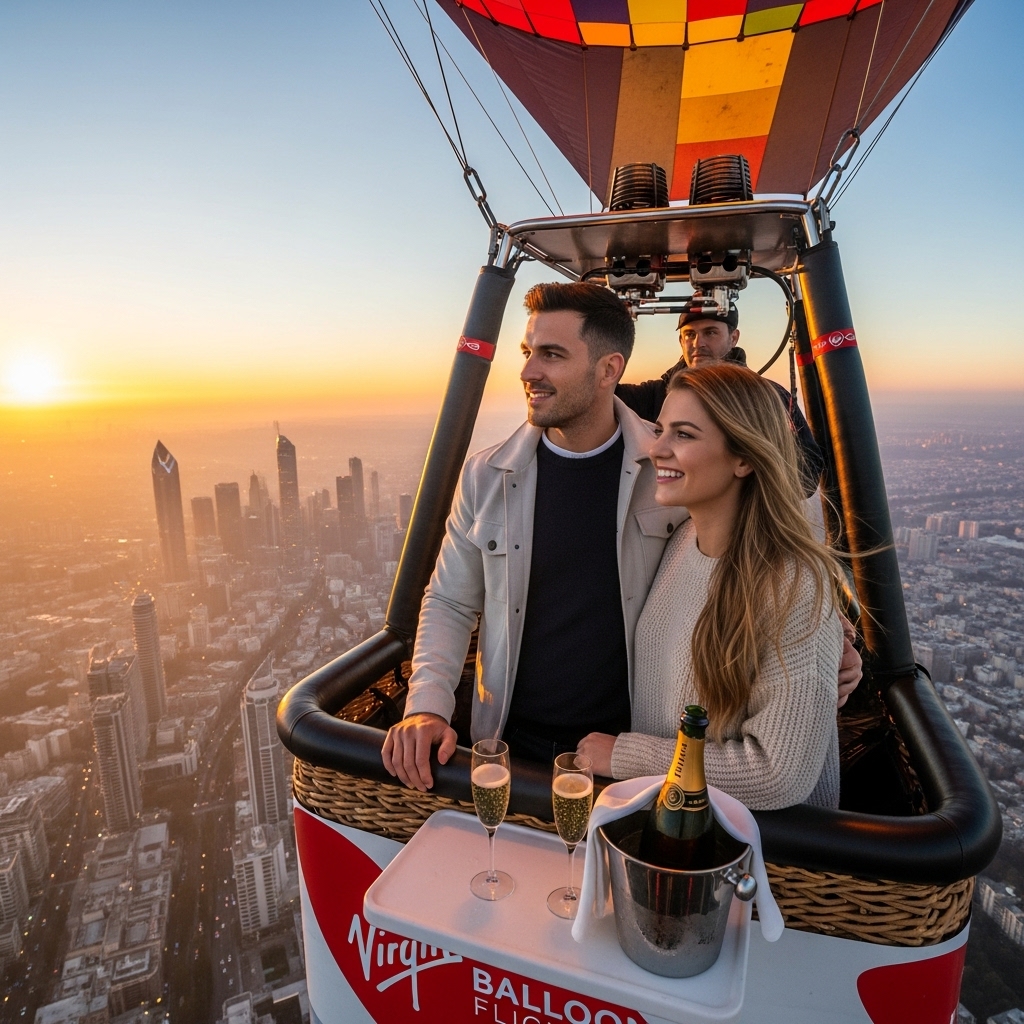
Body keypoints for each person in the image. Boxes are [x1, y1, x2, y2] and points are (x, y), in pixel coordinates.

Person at [382, 283, 862, 793]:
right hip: (511, 747)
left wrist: (829, 633)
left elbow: (756, 543)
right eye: (527, 353)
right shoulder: (487, 476)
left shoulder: (671, 476)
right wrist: (427, 705)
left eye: (551, 355)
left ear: (609, 369)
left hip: (634, 760)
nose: (526, 372)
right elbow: (450, 599)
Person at [579, 363, 845, 809]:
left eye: (683, 435)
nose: (655, 448)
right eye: (660, 429)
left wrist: (625, 757)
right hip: (676, 822)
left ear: (744, 457)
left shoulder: (792, 584)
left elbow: (778, 774)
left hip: (759, 856)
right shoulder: (683, 540)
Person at [616, 303, 825, 495]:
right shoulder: (658, 395)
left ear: (733, 338)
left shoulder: (767, 397)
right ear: (681, 341)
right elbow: (599, 397)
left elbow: (807, 475)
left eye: (710, 333)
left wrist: (732, 488)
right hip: (670, 526)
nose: (699, 343)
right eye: (690, 334)